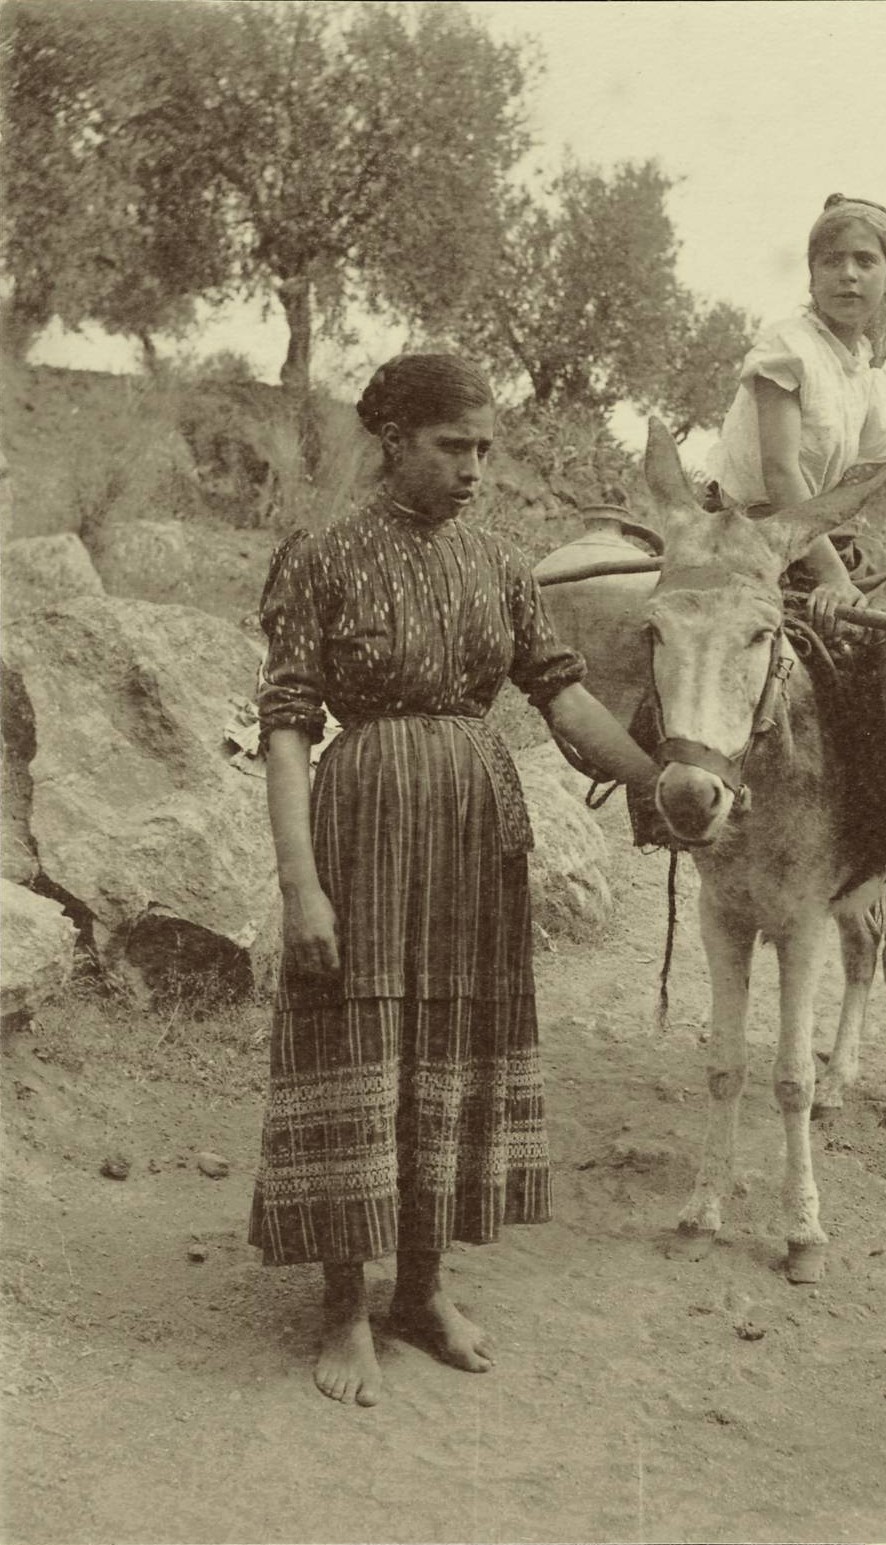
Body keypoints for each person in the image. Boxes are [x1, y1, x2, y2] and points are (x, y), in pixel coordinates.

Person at [249, 353, 659, 1407]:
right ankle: (343, 1305)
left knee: (455, 1044)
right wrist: (302, 886)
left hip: (477, 832)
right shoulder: (323, 557)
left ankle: (421, 1291)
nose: (473, 469)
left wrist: (661, 785)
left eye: (484, 448)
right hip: (363, 824)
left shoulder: (498, 565)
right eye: (451, 447)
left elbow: (561, 702)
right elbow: (290, 728)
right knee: (358, 1037)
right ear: (393, 441)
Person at [706, 193, 886, 631]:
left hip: (809, 537)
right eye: (831, 262)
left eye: (865, 262)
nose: (848, 275)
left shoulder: (861, 372)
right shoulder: (789, 348)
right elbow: (780, 470)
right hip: (752, 527)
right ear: (812, 277)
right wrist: (832, 576)